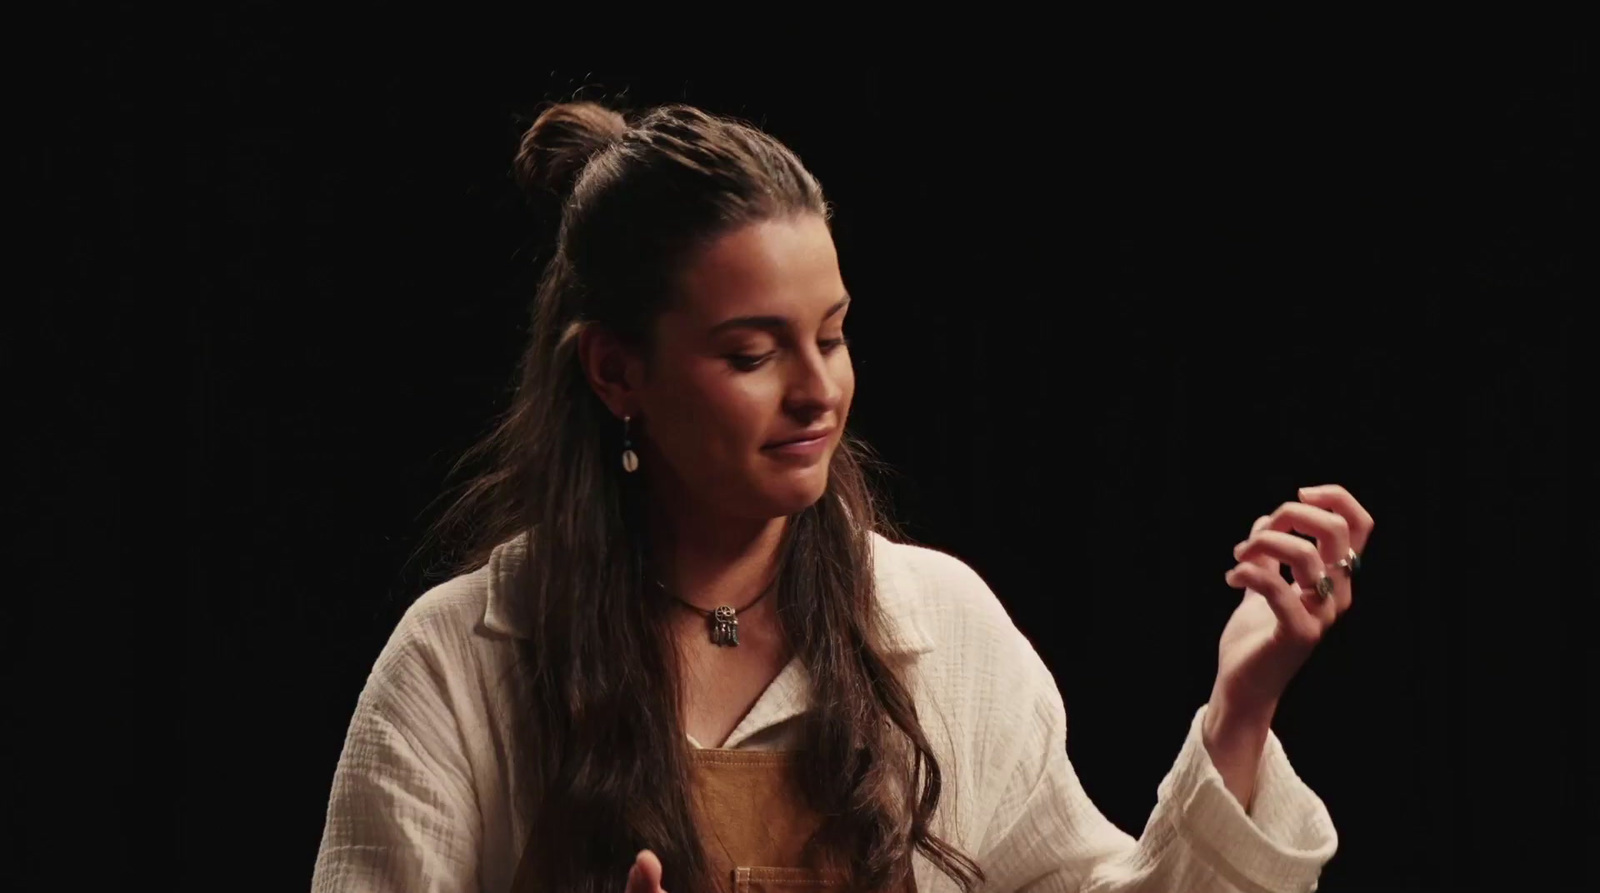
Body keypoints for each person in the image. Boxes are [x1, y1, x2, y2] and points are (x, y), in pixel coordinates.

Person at [310, 100, 1373, 893]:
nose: (818, 389)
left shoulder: (936, 627)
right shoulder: (464, 661)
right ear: (616, 372)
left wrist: (1241, 706)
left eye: (830, 334)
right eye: (752, 351)